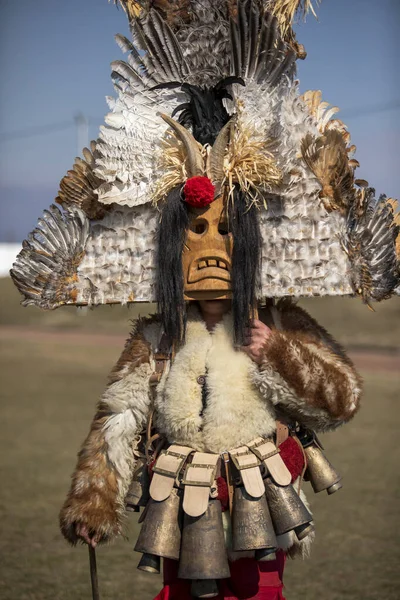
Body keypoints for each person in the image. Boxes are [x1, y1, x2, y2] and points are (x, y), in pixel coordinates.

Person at [10, 1, 398, 599]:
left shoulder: (278, 321)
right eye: (195, 232)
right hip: (177, 496)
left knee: (259, 593)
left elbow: (341, 399)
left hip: (259, 494)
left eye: (226, 232)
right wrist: (93, 501)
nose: (213, 247)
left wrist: (279, 353)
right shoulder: (156, 339)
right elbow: (119, 420)